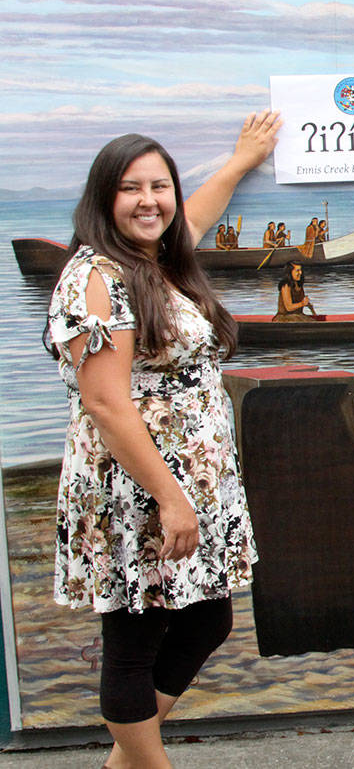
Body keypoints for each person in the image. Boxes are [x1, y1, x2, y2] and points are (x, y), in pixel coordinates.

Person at [43, 110, 280, 768]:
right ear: (101, 198)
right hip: (137, 485)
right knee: (134, 634)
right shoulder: (96, 277)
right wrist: (170, 496)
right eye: (130, 188)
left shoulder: (158, 258)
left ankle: (126, 762)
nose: (149, 200)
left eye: (160, 186)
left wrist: (241, 160)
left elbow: (194, 214)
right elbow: (105, 401)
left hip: (191, 480)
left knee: (208, 619)